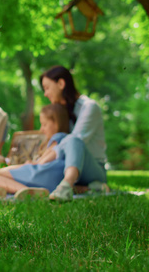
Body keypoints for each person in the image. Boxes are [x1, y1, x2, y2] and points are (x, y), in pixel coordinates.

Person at [39, 65, 109, 201]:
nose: (45, 94)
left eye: (47, 88)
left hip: (92, 168)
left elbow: (75, 141)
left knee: (72, 140)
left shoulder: (89, 107)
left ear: (61, 83)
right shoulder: (63, 112)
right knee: (59, 138)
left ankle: (66, 187)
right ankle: (90, 188)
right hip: (71, 166)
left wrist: (42, 162)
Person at [0, 104, 70, 199]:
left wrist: (31, 163)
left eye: (44, 124)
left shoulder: (59, 139)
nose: (42, 129)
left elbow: (43, 162)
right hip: (42, 176)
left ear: (57, 123)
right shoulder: (60, 141)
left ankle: (29, 193)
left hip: (41, 175)